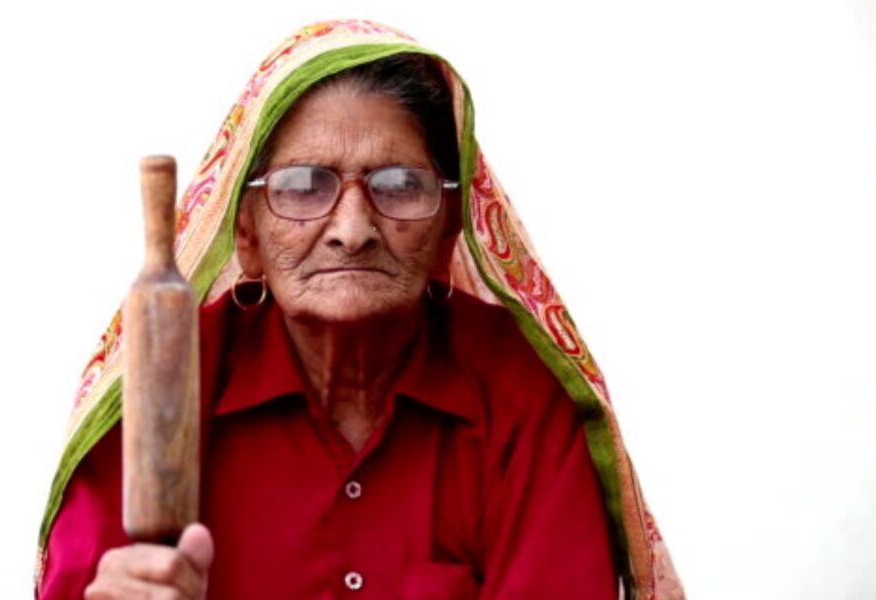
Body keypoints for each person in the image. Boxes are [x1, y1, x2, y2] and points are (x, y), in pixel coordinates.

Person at [36, 20, 683, 600]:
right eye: (302, 186)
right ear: (246, 236)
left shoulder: (518, 397)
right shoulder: (164, 385)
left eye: (399, 185)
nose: (352, 229)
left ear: (450, 231)